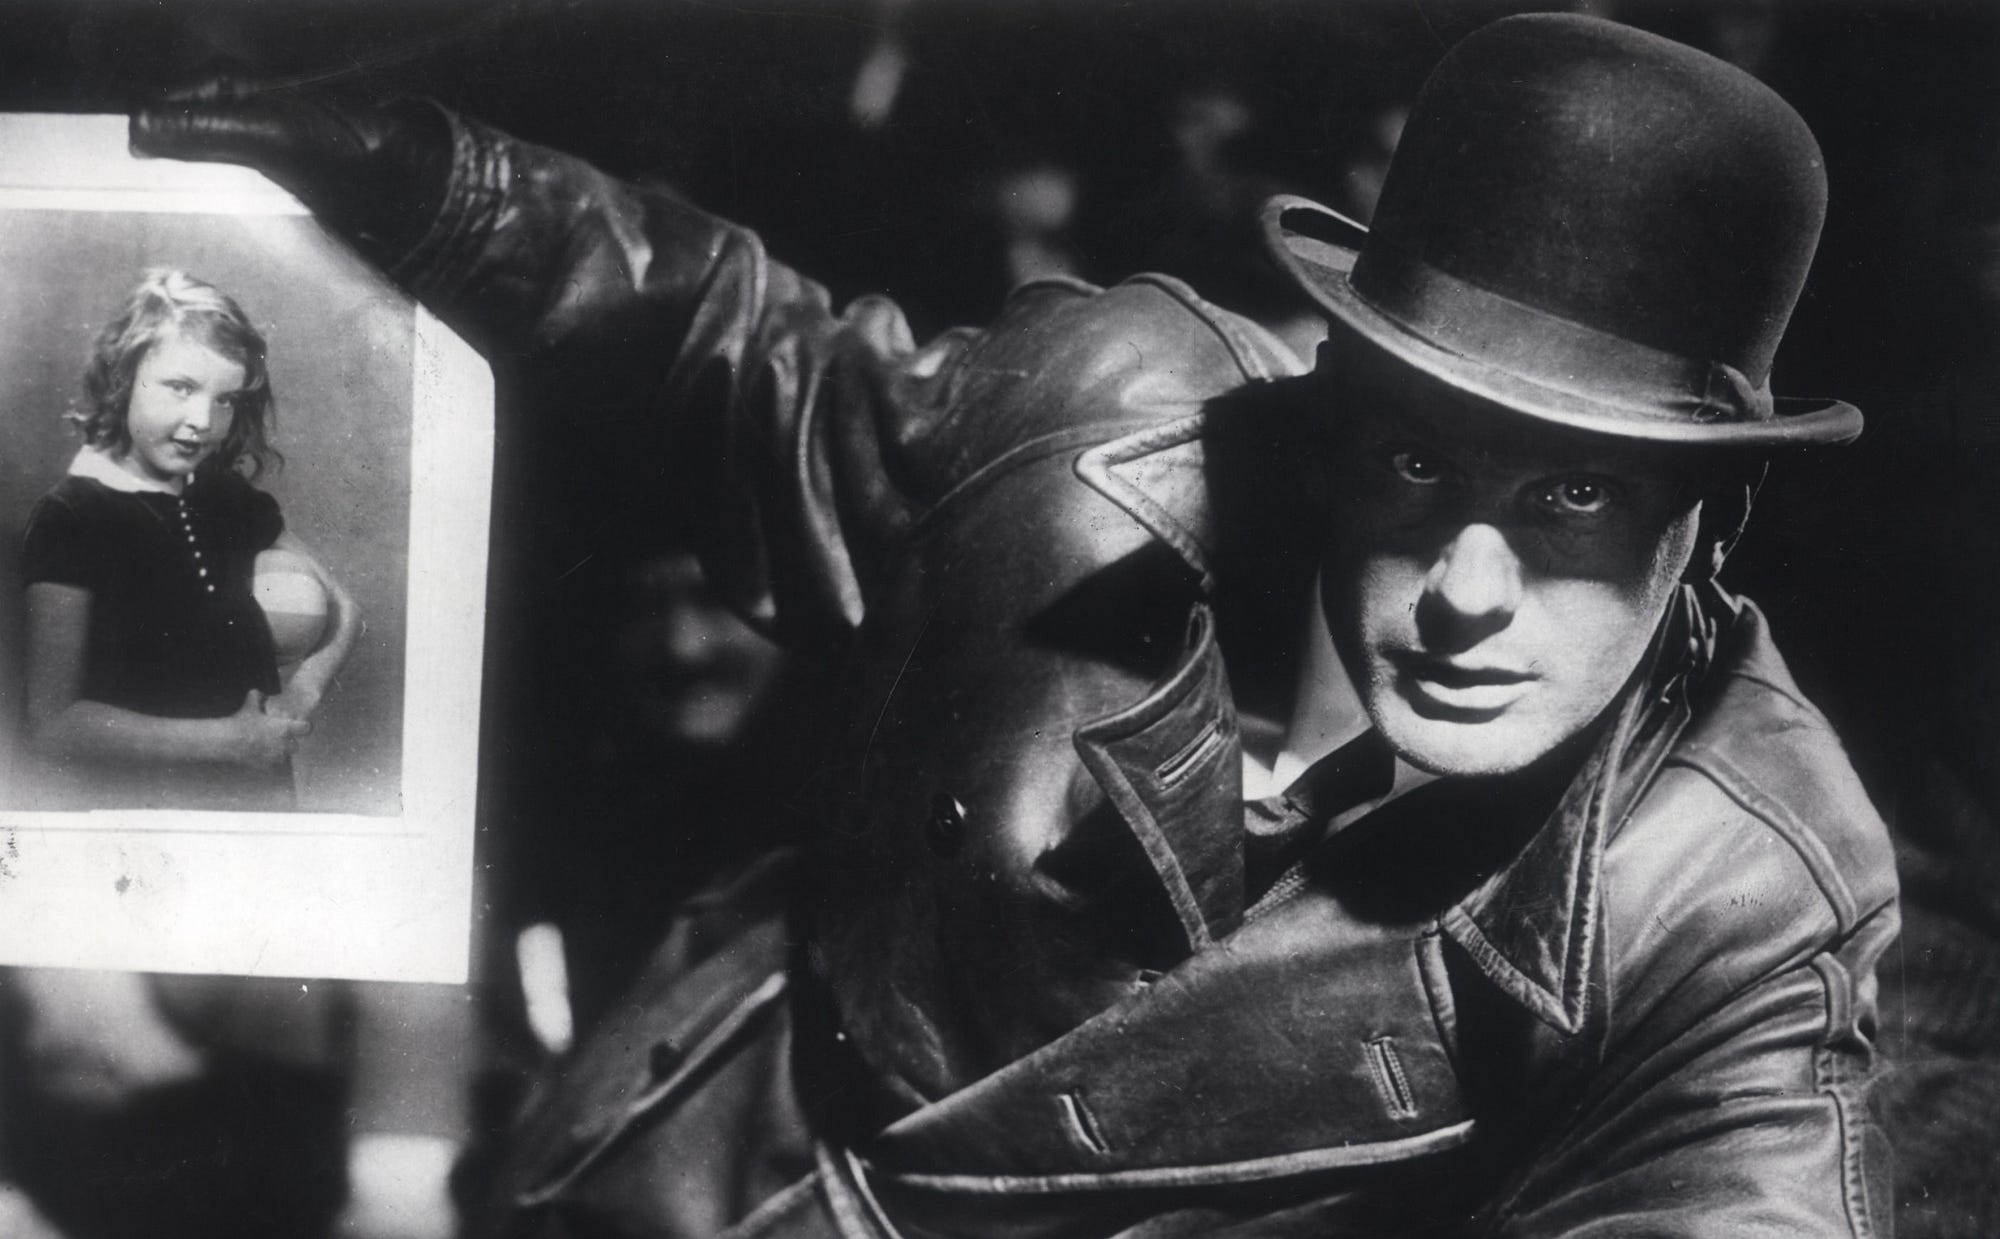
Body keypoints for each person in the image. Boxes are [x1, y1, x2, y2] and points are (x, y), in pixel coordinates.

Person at [136, 13, 1899, 1237]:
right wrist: (445, 193)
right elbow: (757, 380)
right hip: (660, 1178)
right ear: (1335, 411)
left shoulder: (1739, 892)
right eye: (1420, 461)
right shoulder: (1110, 413)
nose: (1467, 590)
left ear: (1710, 514)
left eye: (1575, 496)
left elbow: (1741, 1187)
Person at [20, 268, 361, 812]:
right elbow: (53, 724)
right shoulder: (71, 518)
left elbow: (344, 607)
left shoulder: (226, 498)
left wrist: (302, 692)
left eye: (226, 400)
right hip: (143, 828)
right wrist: (228, 742)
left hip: (259, 812)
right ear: (124, 377)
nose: (203, 420)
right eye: (181, 387)